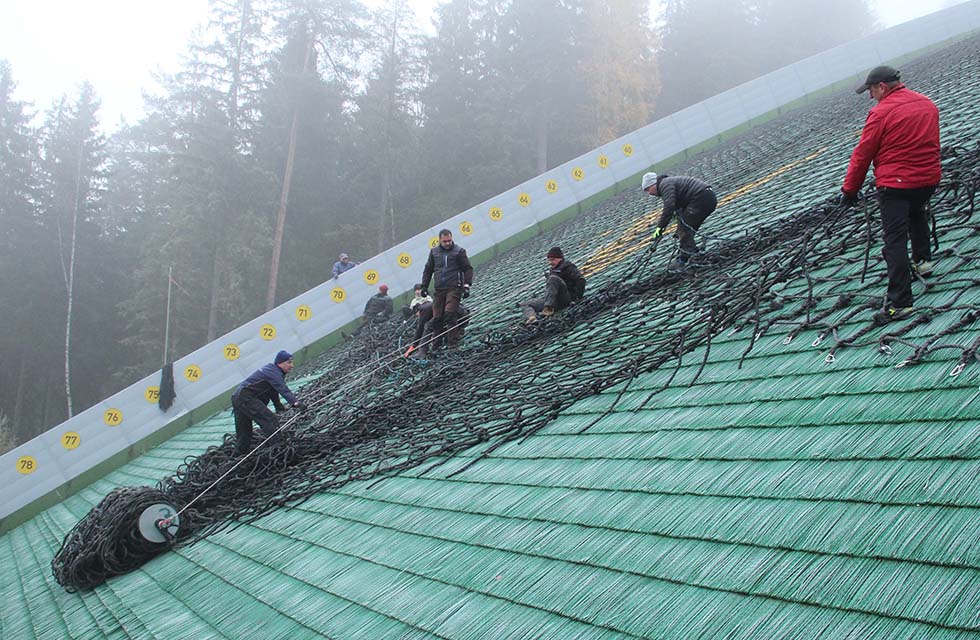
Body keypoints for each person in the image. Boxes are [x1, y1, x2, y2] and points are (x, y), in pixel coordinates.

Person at [840, 65, 941, 325]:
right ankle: (923, 261)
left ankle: (901, 303)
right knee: (917, 211)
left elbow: (863, 154)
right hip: (928, 179)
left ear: (882, 86)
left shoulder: (880, 113)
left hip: (895, 186)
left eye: (871, 91)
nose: (871, 96)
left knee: (894, 240)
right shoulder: (926, 103)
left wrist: (850, 190)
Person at [231, 350, 306, 455]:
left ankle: (238, 455)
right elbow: (283, 389)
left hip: (237, 398)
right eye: (289, 362)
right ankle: (279, 451)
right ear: (280, 363)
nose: (292, 365)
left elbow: (272, 390)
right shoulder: (274, 372)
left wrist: (278, 406)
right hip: (246, 397)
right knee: (270, 420)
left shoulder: (271, 370)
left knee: (244, 432)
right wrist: (296, 403)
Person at [641, 172, 717, 269]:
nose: (649, 193)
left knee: (683, 229)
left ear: (653, 184)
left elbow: (669, 207)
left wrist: (660, 227)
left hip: (701, 198)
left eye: (648, 189)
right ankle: (689, 252)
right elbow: (676, 206)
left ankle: (684, 257)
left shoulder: (665, 185)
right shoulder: (667, 183)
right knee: (685, 229)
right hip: (705, 198)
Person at [420, 229, 473, 348]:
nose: (448, 243)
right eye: (445, 241)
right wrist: (424, 286)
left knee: (450, 314)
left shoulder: (459, 251)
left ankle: (453, 343)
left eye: (449, 240)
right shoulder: (434, 252)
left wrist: (467, 285)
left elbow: (468, 269)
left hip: (454, 287)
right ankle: (437, 344)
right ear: (440, 240)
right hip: (439, 289)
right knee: (437, 317)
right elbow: (428, 269)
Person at [521, 247, 586, 324]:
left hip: (566, 298)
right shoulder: (553, 270)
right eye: (549, 260)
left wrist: (577, 298)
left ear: (559, 258)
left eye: (552, 259)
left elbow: (581, 280)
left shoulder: (568, 267)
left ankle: (548, 308)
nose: (550, 262)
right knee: (525, 304)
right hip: (554, 301)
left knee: (553, 278)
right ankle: (532, 318)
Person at [405, 300, 471, 357]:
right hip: (463, 314)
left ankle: (422, 351)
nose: (419, 317)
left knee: (428, 326)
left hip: (457, 315)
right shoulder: (433, 307)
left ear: (417, 311)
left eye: (417, 315)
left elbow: (421, 327)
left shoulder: (424, 309)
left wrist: (413, 346)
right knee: (438, 325)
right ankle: (440, 345)